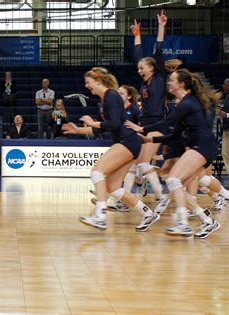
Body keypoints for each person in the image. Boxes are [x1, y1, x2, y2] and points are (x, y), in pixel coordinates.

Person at [125, 69, 221, 238]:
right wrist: (150, 140)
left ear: (181, 84)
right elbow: (175, 134)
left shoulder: (188, 102)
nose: (169, 83)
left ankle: (183, 224)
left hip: (203, 146)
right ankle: (208, 221)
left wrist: (142, 128)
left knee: (172, 179)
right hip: (202, 147)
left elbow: (167, 121)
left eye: (172, 80)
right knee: (177, 186)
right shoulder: (184, 103)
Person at [62, 67, 159, 231]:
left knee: (97, 172)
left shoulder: (111, 96)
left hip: (127, 141)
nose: (87, 86)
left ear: (98, 81)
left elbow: (114, 123)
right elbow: (102, 128)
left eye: (88, 82)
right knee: (113, 187)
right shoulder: (106, 99)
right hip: (128, 142)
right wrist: (79, 130)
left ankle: (100, 216)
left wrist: (92, 123)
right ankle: (148, 213)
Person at [130, 10, 170, 214]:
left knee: (144, 162)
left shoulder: (160, 77)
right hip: (144, 123)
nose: (139, 70)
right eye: (138, 68)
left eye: (142, 68)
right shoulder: (144, 82)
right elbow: (138, 55)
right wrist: (137, 34)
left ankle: (162, 197)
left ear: (153, 68)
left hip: (158, 123)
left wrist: (161, 26)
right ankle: (126, 196)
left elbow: (159, 50)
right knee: (135, 161)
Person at [219, 78, 229, 172]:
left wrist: (226, 115)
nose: (223, 86)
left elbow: (227, 114)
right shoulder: (226, 96)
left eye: (224, 84)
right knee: (225, 153)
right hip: (226, 129)